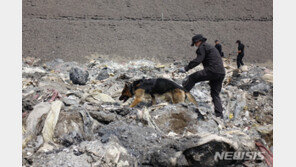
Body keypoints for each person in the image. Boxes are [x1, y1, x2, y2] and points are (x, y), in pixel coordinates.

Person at [178, 34, 226, 118]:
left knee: (192, 78)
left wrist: (186, 68)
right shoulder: (210, 46)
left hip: (212, 70)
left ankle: (181, 97)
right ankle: (219, 115)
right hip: (221, 72)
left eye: (195, 44)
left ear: (198, 41)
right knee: (215, 93)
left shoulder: (202, 47)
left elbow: (198, 60)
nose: (195, 46)